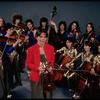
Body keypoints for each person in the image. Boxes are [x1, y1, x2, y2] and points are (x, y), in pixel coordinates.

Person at [25, 29, 55, 99]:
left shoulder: (51, 48)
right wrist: (37, 68)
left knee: (48, 95)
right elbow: (28, 63)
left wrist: (51, 66)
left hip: (48, 76)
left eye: (44, 37)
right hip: (36, 74)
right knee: (36, 95)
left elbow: (52, 60)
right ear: (37, 37)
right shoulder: (31, 49)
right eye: (41, 37)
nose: (43, 39)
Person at [1, 23, 22, 98]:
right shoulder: (3, 39)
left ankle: (10, 87)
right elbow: (8, 51)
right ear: (6, 30)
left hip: (12, 58)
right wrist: (16, 43)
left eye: (12, 29)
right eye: (10, 29)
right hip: (5, 59)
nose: (12, 31)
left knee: (11, 75)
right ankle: (8, 91)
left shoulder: (12, 37)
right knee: (6, 76)